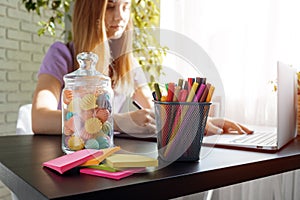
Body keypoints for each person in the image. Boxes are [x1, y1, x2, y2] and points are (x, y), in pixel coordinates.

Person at [31, 0, 252, 136]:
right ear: (88, 11)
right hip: (69, 153)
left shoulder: (126, 61)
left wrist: (201, 121)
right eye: (110, 6)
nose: (120, 16)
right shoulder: (63, 55)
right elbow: (39, 119)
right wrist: (116, 121)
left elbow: (159, 110)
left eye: (126, 6)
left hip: (103, 154)